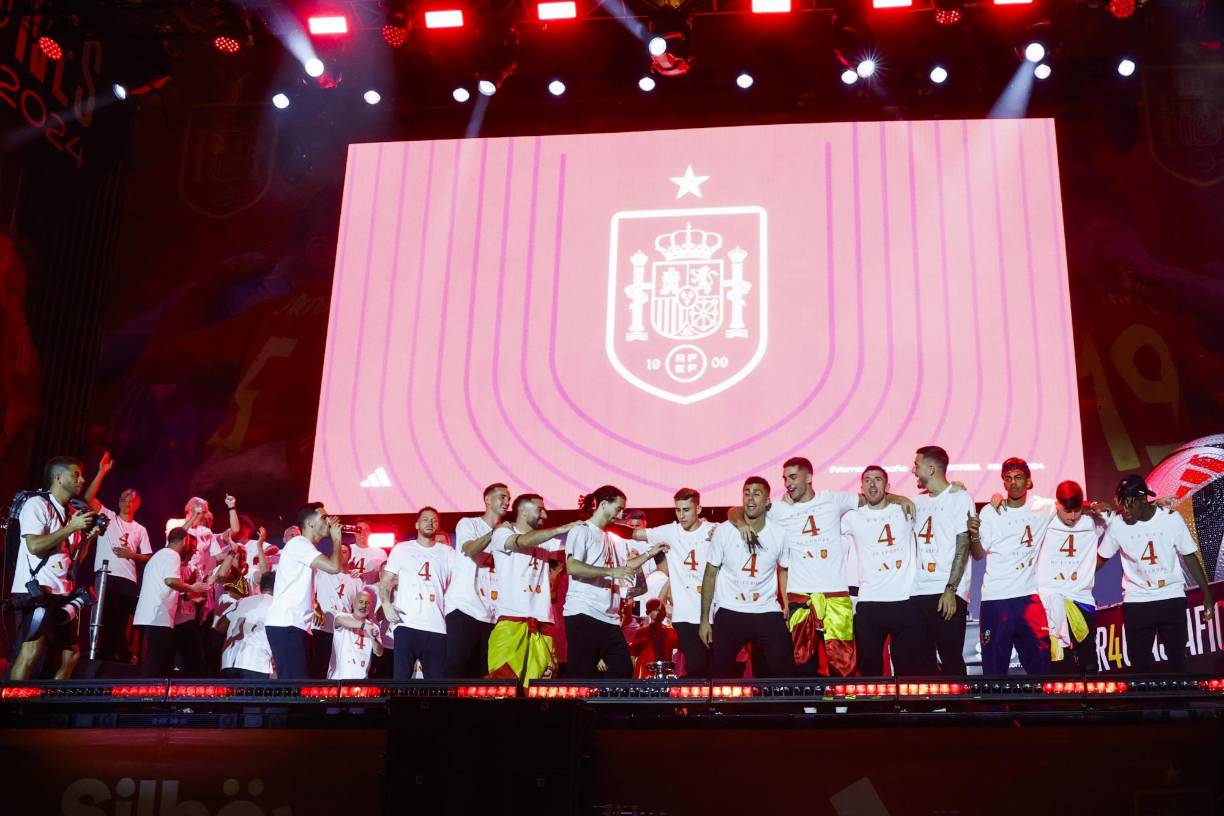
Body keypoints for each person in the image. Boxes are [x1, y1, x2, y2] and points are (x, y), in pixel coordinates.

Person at [746, 457, 912, 677]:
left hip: (836, 596)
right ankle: (808, 710)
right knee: (802, 662)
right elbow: (738, 511)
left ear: (809, 477)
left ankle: (842, 709)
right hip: (800, 597)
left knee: (843, 664)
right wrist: (739, 523)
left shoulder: (833, 500)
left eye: (793, 477)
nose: (788, 483)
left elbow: (872, 495)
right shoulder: (779, 508)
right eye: (785, 479)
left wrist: (898, 497)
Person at [1099, 474, 1215, 673]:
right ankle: (1146, 704)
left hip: (1171, 598)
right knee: (1140, 666)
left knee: (1178, 661)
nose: (1125, 511)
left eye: (1130, 505)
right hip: (1137, 602)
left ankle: (1181, 703)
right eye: (1122, 505)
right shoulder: (1118, 524)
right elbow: (1101, 558)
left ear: (1144, 500)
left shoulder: (1171, 518)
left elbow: (1190, 556)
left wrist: (1207, 595)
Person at [562, 485, 666, 679]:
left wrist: (650, 553)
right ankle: (574, 708)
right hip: (584, 612)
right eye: (618, 509)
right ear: (602, 505)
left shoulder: (610, 538)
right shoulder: (581, 531)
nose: (620, 515)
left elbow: (625, 566)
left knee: (623, 669)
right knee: (581, 673)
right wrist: (611, 571)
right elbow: (573, 566)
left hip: (608, 617)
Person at [9, 456, 97, 680]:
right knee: (31, 652)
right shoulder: (38, 504)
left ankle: (49, 707)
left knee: (71, 655)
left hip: (61, 593)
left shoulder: (69, 513)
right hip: (38, 591)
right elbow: (35, 545)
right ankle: (13, 708)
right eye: (76, 475)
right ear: (58, 478)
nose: (82, 480)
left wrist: (87, 538)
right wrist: (71, 528)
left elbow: (74, 557)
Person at [700, 477, 795, 678]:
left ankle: (784, 709)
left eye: (757, 493)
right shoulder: (724, 531)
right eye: (746, 493)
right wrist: (705, 620)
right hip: (730, 609)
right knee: (718, 673)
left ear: (768, 501)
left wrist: (787, 604)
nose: (750, 499)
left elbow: (783, 570)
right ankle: (715, 710)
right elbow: (710, 575)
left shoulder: (779, 534)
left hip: (766, 610)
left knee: (784, 669)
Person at [968, 457, 1054, 675]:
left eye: (1018, 477)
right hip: (995, 599)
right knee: (994, 671)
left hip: (1028, 598)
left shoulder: (1043, 508)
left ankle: (1043, 709)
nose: (1013, 482)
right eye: (1008, 478)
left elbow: (1070, 505)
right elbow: (978, 555)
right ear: (1003, 483)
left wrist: (1092, 506)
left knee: (1041, 667)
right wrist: (975, 536)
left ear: (1029, 482)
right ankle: (996, 710)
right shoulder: (990, 511)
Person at [486, 494, 580, 684]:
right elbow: (521, 541)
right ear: (523, 511)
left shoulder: (546, 541)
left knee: (539, 688)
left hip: (542, 624)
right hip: (511, 622)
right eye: (540, 510)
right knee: (505, 687)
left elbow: (568, 552)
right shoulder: (502, 533)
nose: (544, 515)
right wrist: (562, 528)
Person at [842, 466, 923, 676]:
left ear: (887, 486)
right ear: (861, 487)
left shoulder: (905, 509)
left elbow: (938, 500)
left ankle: (905, 708)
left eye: (878, 479)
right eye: (867, 480)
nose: (872, 484)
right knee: (870, 666)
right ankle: (873, 708)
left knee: (907, 663)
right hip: (869, 602)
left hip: (904, 600)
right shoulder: (852, 517)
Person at [631, 488, 717, 677]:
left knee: (714, 670)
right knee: (695, 668)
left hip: (712, 612)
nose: (681, 515)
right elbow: (636, 534)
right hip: (684, 616)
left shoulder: (713, 529)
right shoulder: (670, 531)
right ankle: (696, 706)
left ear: (698, 509)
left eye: (686, 509)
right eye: (678, 510)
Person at [910, 445, 975, 676]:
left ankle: (958, 710)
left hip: (946, 592)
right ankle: (932, 710)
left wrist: (951, 590)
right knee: (922, 660)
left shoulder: (960, 497)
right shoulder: (916, 502)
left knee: (951, 658)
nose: (913, 471)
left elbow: (963, 545)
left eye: (916, 466)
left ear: (930, 468)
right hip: (918, 592)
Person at [81, 452, 152, 663]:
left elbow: (148, 557)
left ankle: (116, 655)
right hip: (105, 575)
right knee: (102, 615)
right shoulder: (108, 516)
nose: (126, 502)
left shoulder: (140, 529)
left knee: (120, 620)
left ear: (137, 504)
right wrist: (101, 472)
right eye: (123, 499)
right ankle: (104, 653)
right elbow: (88, 498)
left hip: (127, 579)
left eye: (131, 500)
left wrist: (131, 554)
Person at [264, 503, 347, 678]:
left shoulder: (304, 547)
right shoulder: (299, 543)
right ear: (309, 523)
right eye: (324, 518)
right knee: (293, 690)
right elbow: (334, 566)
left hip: (295, 625)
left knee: (296, 689)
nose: (328, 522)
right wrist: (337, 539)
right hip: (287, 624)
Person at [1036, 481, 1104, 675]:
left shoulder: (1092, 522)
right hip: (1049, 599)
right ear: (1057, 504)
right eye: (1068, 511)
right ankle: (1061, 703)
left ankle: (1089, 702)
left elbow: (1124, 515)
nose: (1073, 517)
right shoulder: (1044, 520)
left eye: (1076, 511)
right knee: (1057, 659)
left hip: (1081, 598)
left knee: (1088, 659)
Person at [445, 483, 509, 678]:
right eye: (502, 497)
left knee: (486, 677)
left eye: (508, 498)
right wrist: (495, 533)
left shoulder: (508, 532)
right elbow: (469, 549)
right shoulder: (468, 523)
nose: (506, 502)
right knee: (458, 673)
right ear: (487, 500)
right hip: (465, 609)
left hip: (493, 614)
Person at [380, 508, 453, 679]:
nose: (430, 522)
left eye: (434, 520)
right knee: (401, 684)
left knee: (436, 689)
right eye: (425, 519)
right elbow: (386, 580)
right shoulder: (402, 549)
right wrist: (386, 604)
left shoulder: (447, 552)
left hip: (437, 627)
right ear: (417, 524)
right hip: (406, 624)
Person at [133, 527, 208, 677]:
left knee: (157, 659)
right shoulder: (172, 555)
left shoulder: (159, 555)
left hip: (151, 615)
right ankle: (145, 695)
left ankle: (148, 694)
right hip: (159, 617)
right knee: (156, 662)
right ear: (184, 540)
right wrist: (192, 587)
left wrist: (186, 593)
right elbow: (170, 581)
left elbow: (164, 585)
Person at [312, 541, 360, 678]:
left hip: (342, 631)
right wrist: (315, 604)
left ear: (350, 557)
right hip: (322, 627)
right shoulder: (321, 571)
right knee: (319, 665)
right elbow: (308, 589)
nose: (340, 554)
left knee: (339, 667)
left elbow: (357, 607)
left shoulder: (355, 580)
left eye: (344, 552)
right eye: (338, 551)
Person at [215, 572, 276, 679]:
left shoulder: (241, 601)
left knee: (229, 696)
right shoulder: (277, 605)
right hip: (256, 663)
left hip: (228, 662)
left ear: (260, 587)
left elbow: (219, 627)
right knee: (252, 696)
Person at [330, 588, 384, 679]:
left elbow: (379, 653)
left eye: (367, 603)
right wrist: (365, 626)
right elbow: (339, 621)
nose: (364, 605)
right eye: (361, 601)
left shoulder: (373, 626)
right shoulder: (342, 616)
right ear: (354, 603)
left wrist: (373, 638)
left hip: (361, 682)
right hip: (339, 679)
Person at [629, 598, 681, 678]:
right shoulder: (642, 631)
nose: (660, 612)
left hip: (665, 675)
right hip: (644, 675)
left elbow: (679, 653)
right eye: (656, 610)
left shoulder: (671, 631)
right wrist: (636, 674)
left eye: (663, 610)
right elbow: (632, 654)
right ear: (648, 612)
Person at [347, 520, 387, 585]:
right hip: (350, 589)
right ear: (354, 532)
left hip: (371, 591)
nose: (363, 532)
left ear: (370, 532)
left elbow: (385, 576)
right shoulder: (346, 550)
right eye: (359, 529)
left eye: (366, 529)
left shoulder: (380, 553)